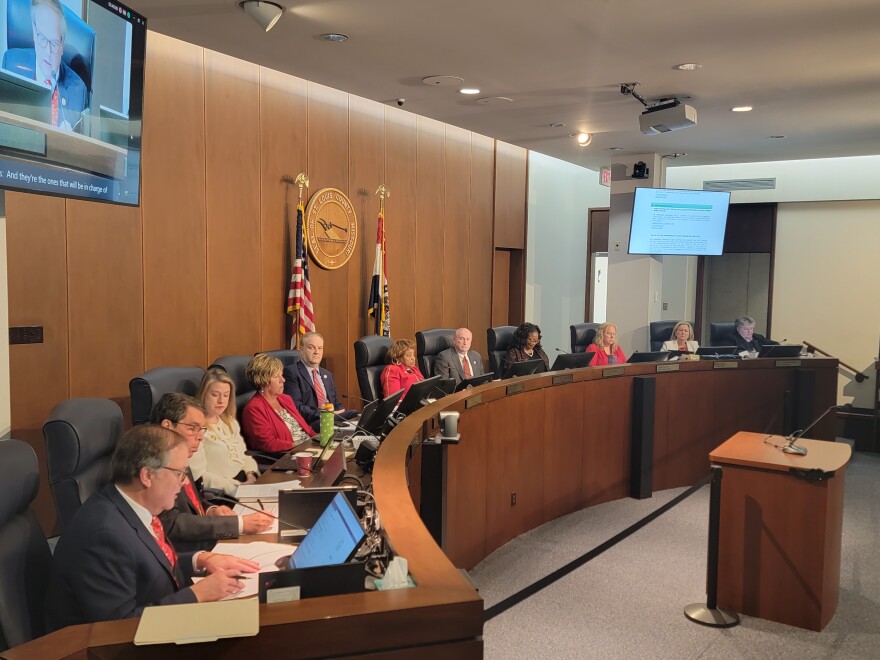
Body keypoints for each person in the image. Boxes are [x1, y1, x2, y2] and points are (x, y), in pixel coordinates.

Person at [46, 424, 260, 631]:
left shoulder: (129, 506)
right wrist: (197, 595)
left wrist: (200, 560)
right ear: (147, 475)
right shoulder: (104, 535)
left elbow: (148, 569)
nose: (184, 483)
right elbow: (119, 627)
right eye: (179, 473)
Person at [152, 393, 273, 551]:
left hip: (204, 542)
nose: (200, 437)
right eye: (192, 428)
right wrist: (240, 525)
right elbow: (172, 524)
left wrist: (211, 510)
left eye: (202, 429)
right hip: (186, 554)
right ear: (167, 426)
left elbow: (190, 502)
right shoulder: (155, 465)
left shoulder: (180, 455)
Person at [2, 0, 88, 131]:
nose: (48, 52)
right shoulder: (11, 65)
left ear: (62, 45)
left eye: (54, 43)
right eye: (42, 38)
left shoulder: (78, 91)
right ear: (34, 34)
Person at [194, 367, 260, 497]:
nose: (221, 401)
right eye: (215, 394)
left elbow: (244, 455)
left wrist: (251, 474)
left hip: (246, 482)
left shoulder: (229, 421)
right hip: (221, 492)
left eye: (226, 395)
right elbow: (200, 476)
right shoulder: (195, 428)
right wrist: (237, 487)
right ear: (203, 394)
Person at [241, 353, 316, 454]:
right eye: (277, 376)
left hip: (309, 447)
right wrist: (300, 446)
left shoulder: (285, 399)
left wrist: (319, 441)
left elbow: (306, 428)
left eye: (282, 375)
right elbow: (267, 443)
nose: (283, 380)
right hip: (289, 455)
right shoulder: (253, 409)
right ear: (263, 381)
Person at [283, 332, 357, 429]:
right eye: (311, 347)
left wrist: (341, 414)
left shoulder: (328, 375)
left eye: (320, 348)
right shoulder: (292, 372)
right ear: (301, 349)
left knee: (356, 414)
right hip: (312, 422)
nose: (316, 352)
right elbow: (297, 407)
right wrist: (325, 414)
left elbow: (336, 403)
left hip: (332, 418)